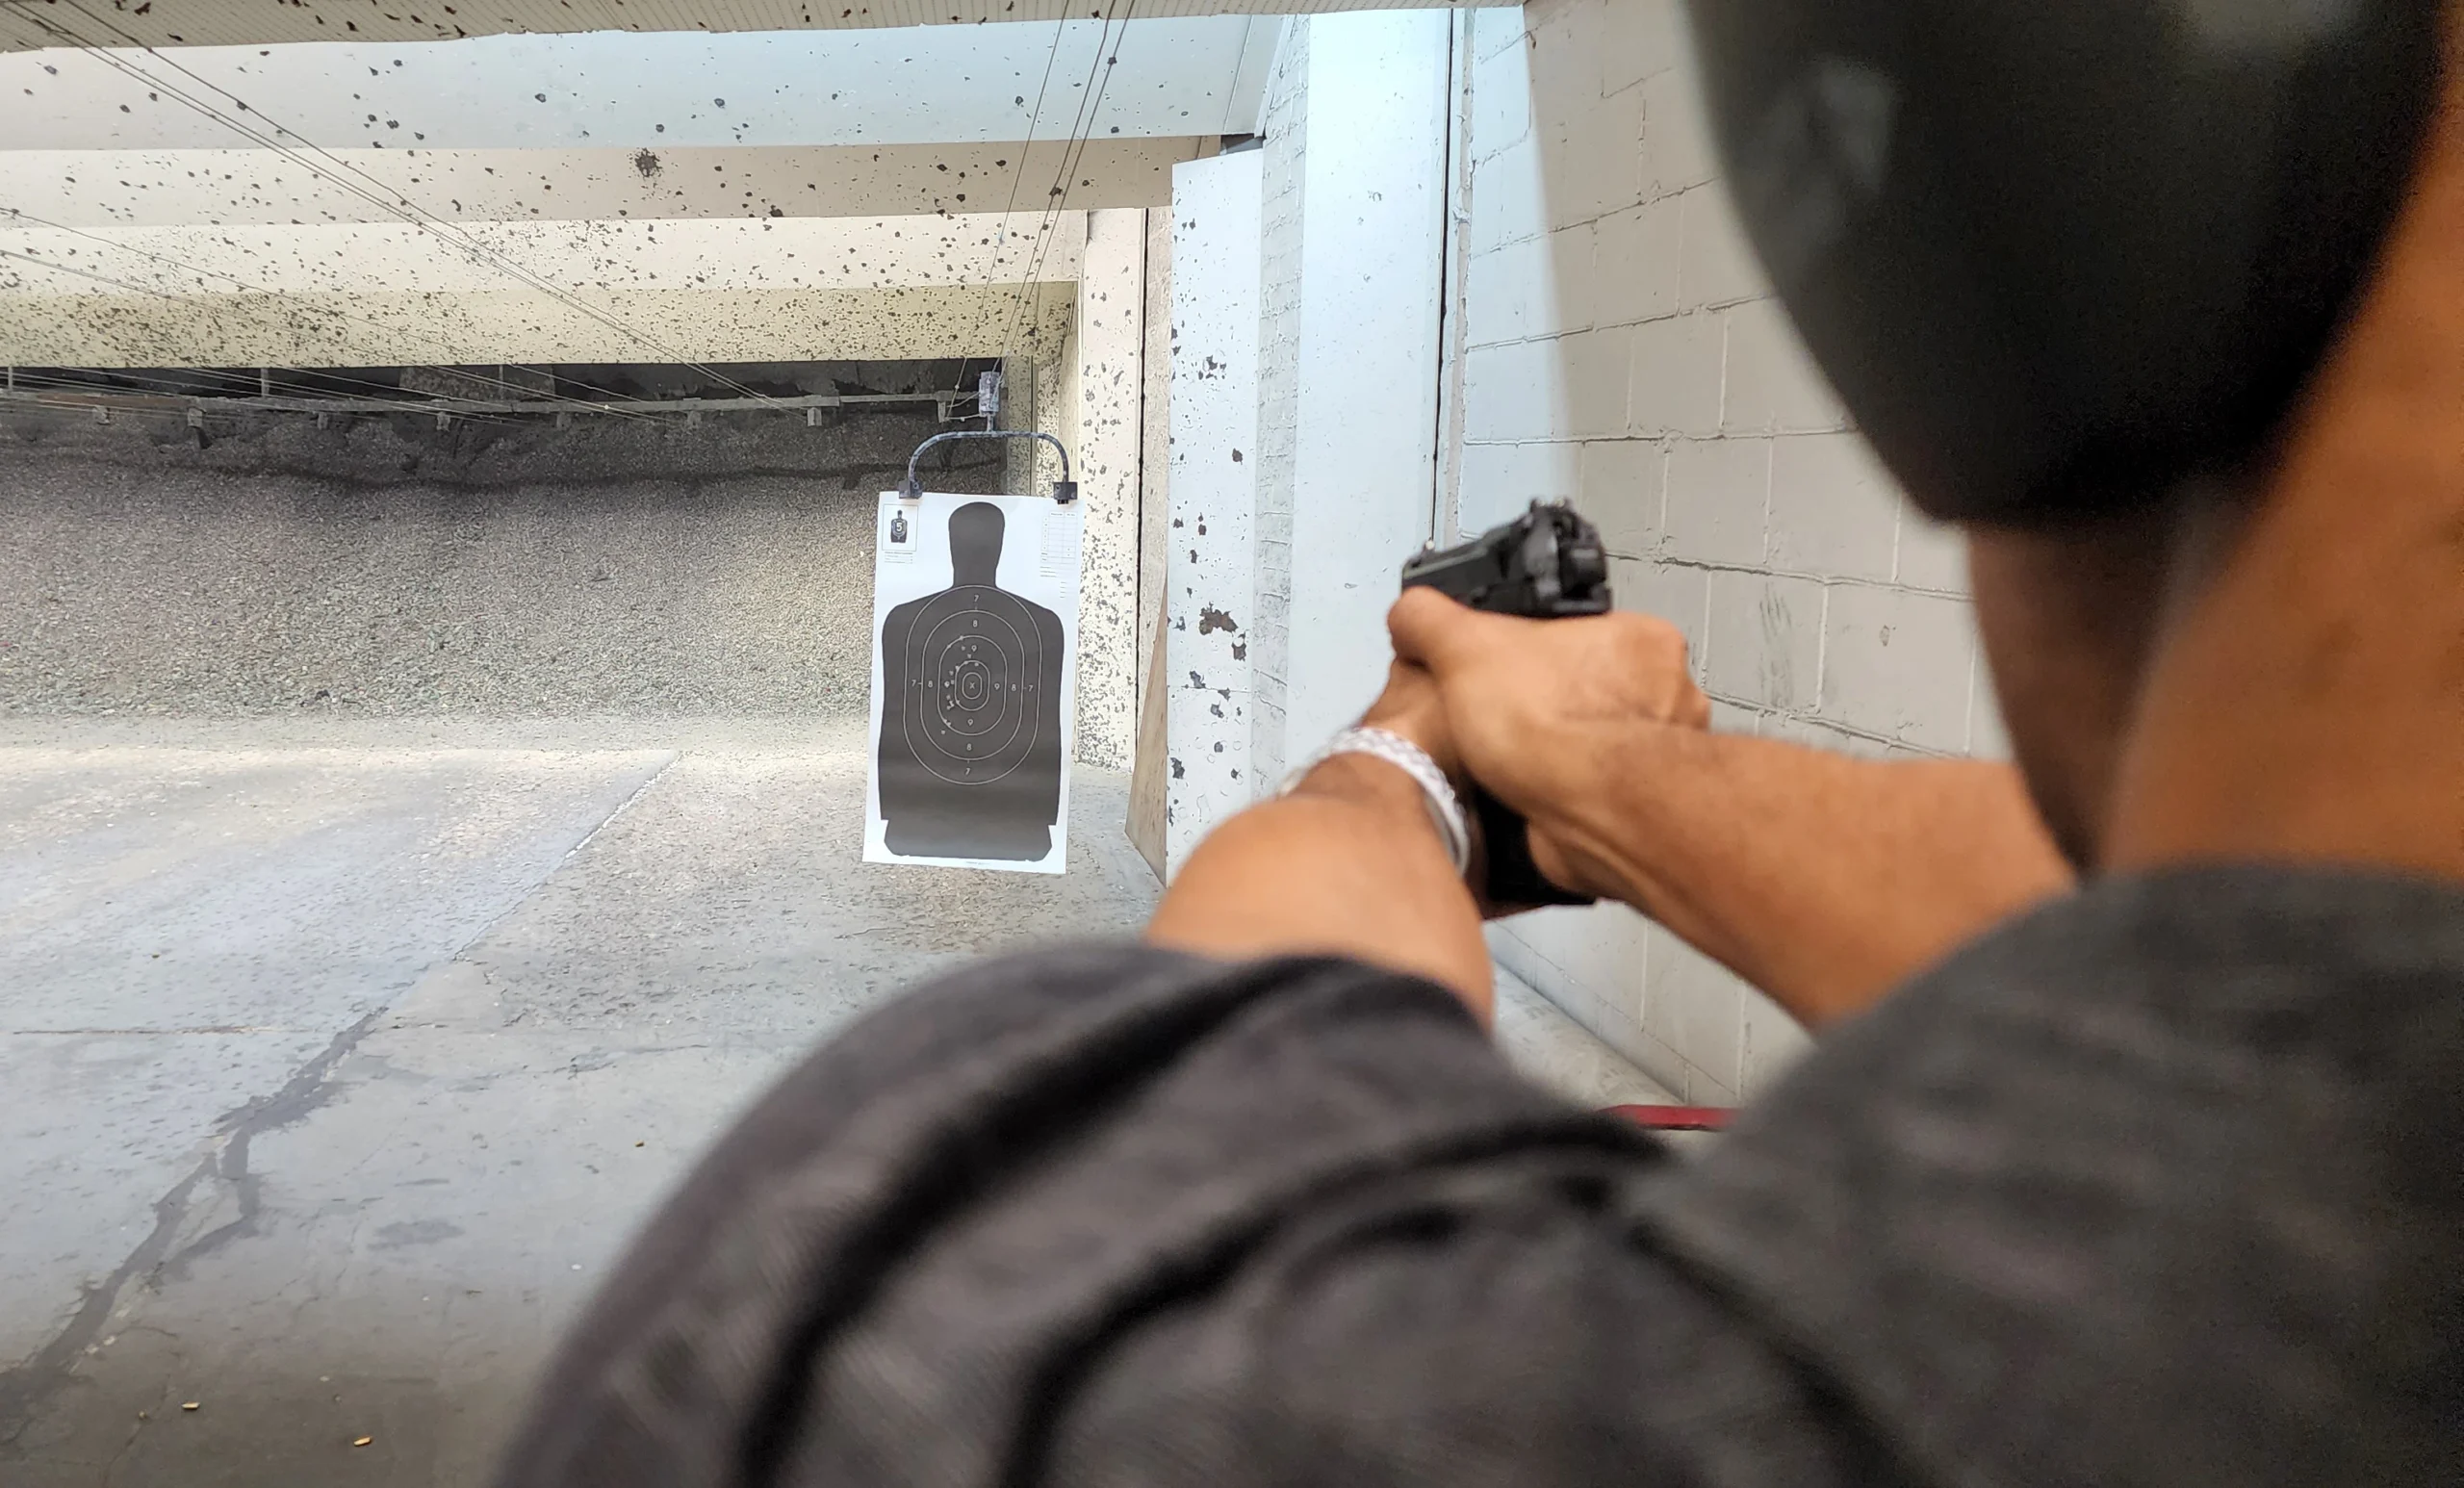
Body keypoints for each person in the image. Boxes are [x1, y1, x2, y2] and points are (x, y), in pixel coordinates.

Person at [497, 3, 2461, 1483]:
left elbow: (1257, 1037)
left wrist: (1406, 763)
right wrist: (1603, 776)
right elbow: (2177, 952)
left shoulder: (1017, 1371)